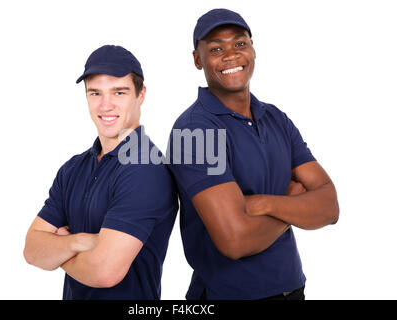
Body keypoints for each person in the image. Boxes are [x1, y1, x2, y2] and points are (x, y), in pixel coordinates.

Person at [167, 8, 339, 300]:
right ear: (198, 60)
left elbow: (330, 207)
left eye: (239, 44)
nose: (231, 55)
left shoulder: (276, 119)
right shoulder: (196, 131)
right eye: (216, 48)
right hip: (231, 295)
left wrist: (260, 203)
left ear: (253, 50)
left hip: (293, 289)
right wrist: (294, 205)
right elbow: (235, 241)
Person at [23, 45, 178, 299]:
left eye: (119, 92)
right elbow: (31, 250)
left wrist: (58, 254)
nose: (105, 105)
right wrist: (81, 242)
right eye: (95, 93)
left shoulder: (146, 170)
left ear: (141, 96)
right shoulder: (73, 169)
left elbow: (105, 272)